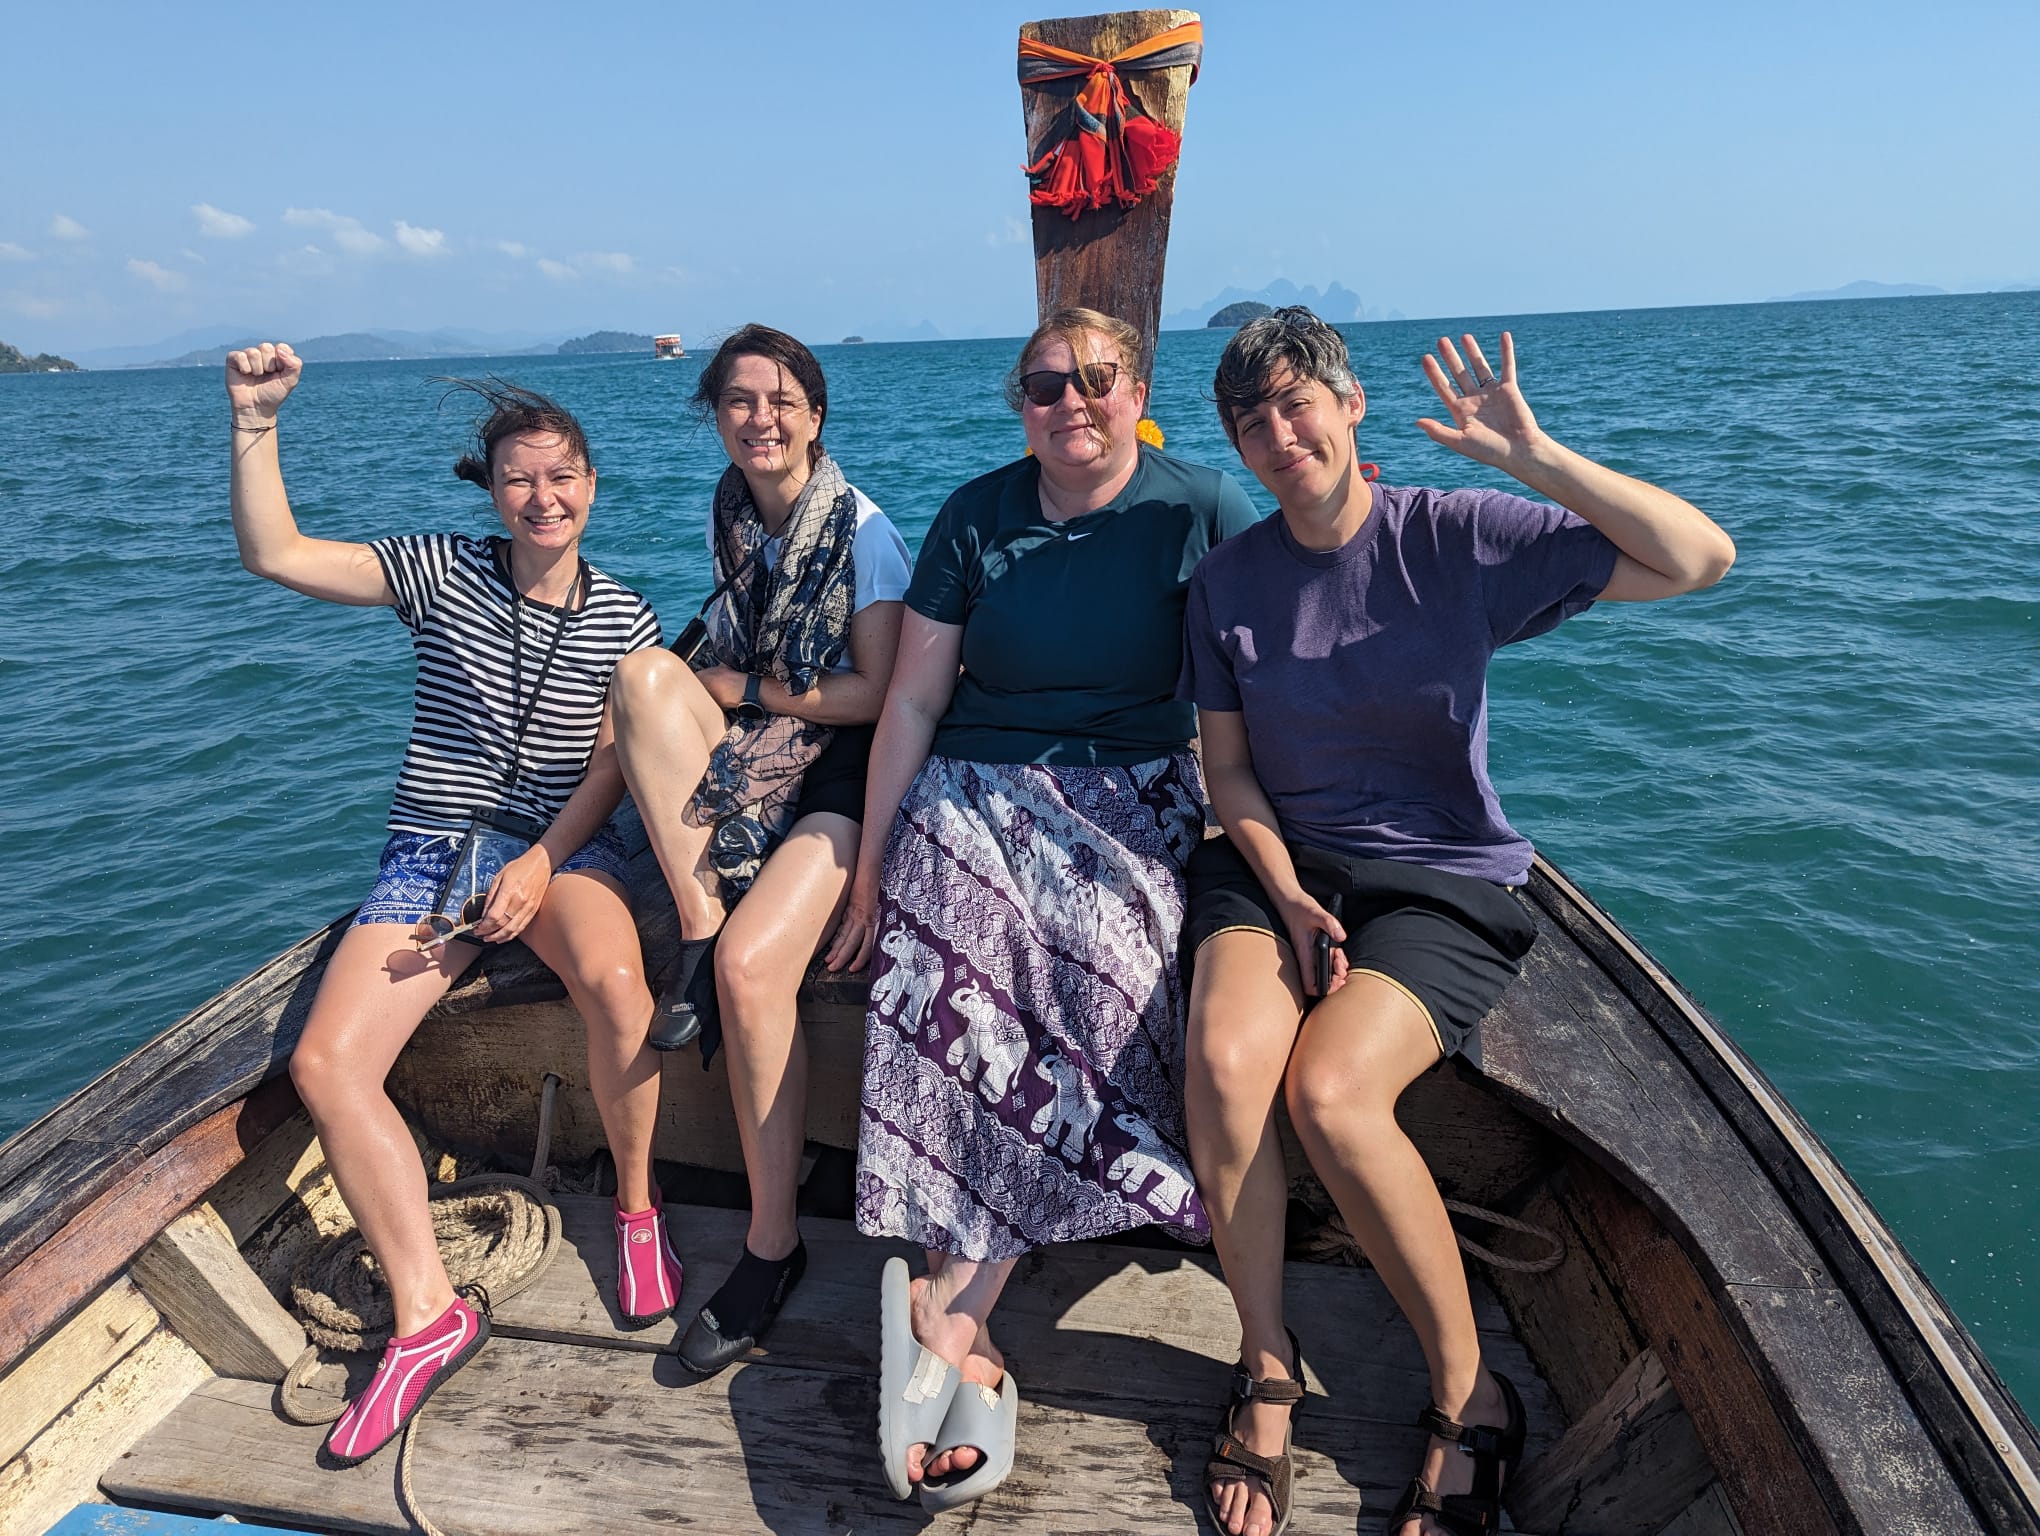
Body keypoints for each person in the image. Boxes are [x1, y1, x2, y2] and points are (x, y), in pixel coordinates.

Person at [1179, 308, 1736, 1536]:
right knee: (1226, 1065)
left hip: (1440, 875)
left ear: (1350, 403)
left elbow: (1700, 559)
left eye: (1297, 402)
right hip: (1278, 867)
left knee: (1328, 1095)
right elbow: (1230, 778)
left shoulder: (1455, 535)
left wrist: (1531, 458)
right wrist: (1285, 893)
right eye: (1252, 420)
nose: (1281, 434)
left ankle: (1468, 1392)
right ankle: (1266, 1365)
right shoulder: (1226, 581)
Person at [827, 307, 1260, 1511]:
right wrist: (869, 863)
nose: (1072, 402)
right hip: (976, 776)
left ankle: (951, 1306)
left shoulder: (1202, 508)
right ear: (1020, 403)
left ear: (1137, 388)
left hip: (1134, 790)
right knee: (947, 932)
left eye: (1097, 380)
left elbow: (1294, 627)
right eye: (1044, 385)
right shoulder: (979, 514)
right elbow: (911, 703)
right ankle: (962, 1310)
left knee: (1108, 966)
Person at [224, 345, 669, 1466]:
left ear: (593, 484)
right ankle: (428, 1317)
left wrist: (540, 863)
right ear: (491, 487)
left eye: (563, 475)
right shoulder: (441, 572)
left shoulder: (626, 617)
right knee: (329, 1067)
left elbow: (617, 766)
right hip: (434, 856)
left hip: (564, 854)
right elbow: (275, 554)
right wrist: (255, 422)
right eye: (520, 477)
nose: (543, 496)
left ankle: (634, 1206)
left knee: (618, 988)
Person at [604, 325, 908, 1375]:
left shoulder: (861, 531)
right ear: (717, 418)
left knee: (750, 972)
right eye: (738, 401)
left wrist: (746, 693)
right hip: (763, 750)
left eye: (781, 400)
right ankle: (698, 918)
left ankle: (770, 1245)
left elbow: (878, 694)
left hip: (842, 774)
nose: (760, 418)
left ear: (816, 415)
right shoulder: (738, 518)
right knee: (642, 678)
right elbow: (710, 652)